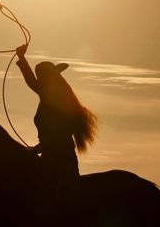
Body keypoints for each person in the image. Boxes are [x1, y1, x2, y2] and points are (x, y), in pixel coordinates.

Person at [15, 44, 98, 189]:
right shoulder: (49, 98)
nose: (39, 81)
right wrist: (21, 58)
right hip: (50, 158)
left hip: (61, 162)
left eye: (41, 78)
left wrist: (37, 149)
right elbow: (31, 81)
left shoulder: (59, 105)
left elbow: (57, 138)